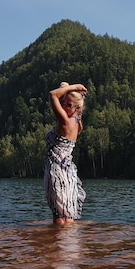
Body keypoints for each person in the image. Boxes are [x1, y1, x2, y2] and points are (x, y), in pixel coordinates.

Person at [44, 82, 88, 225]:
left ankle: (60, 245)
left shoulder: (65, 121)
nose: (64, 106)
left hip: (57, 170)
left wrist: (73, 87)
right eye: (63, 103)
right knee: (67, 213)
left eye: (68, 105)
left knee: (58, 214)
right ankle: (70, 244)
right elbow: (59, 96)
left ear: (77, 108)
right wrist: (67, 88)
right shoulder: (77, 122)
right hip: (68, 171)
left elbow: (52, 95)